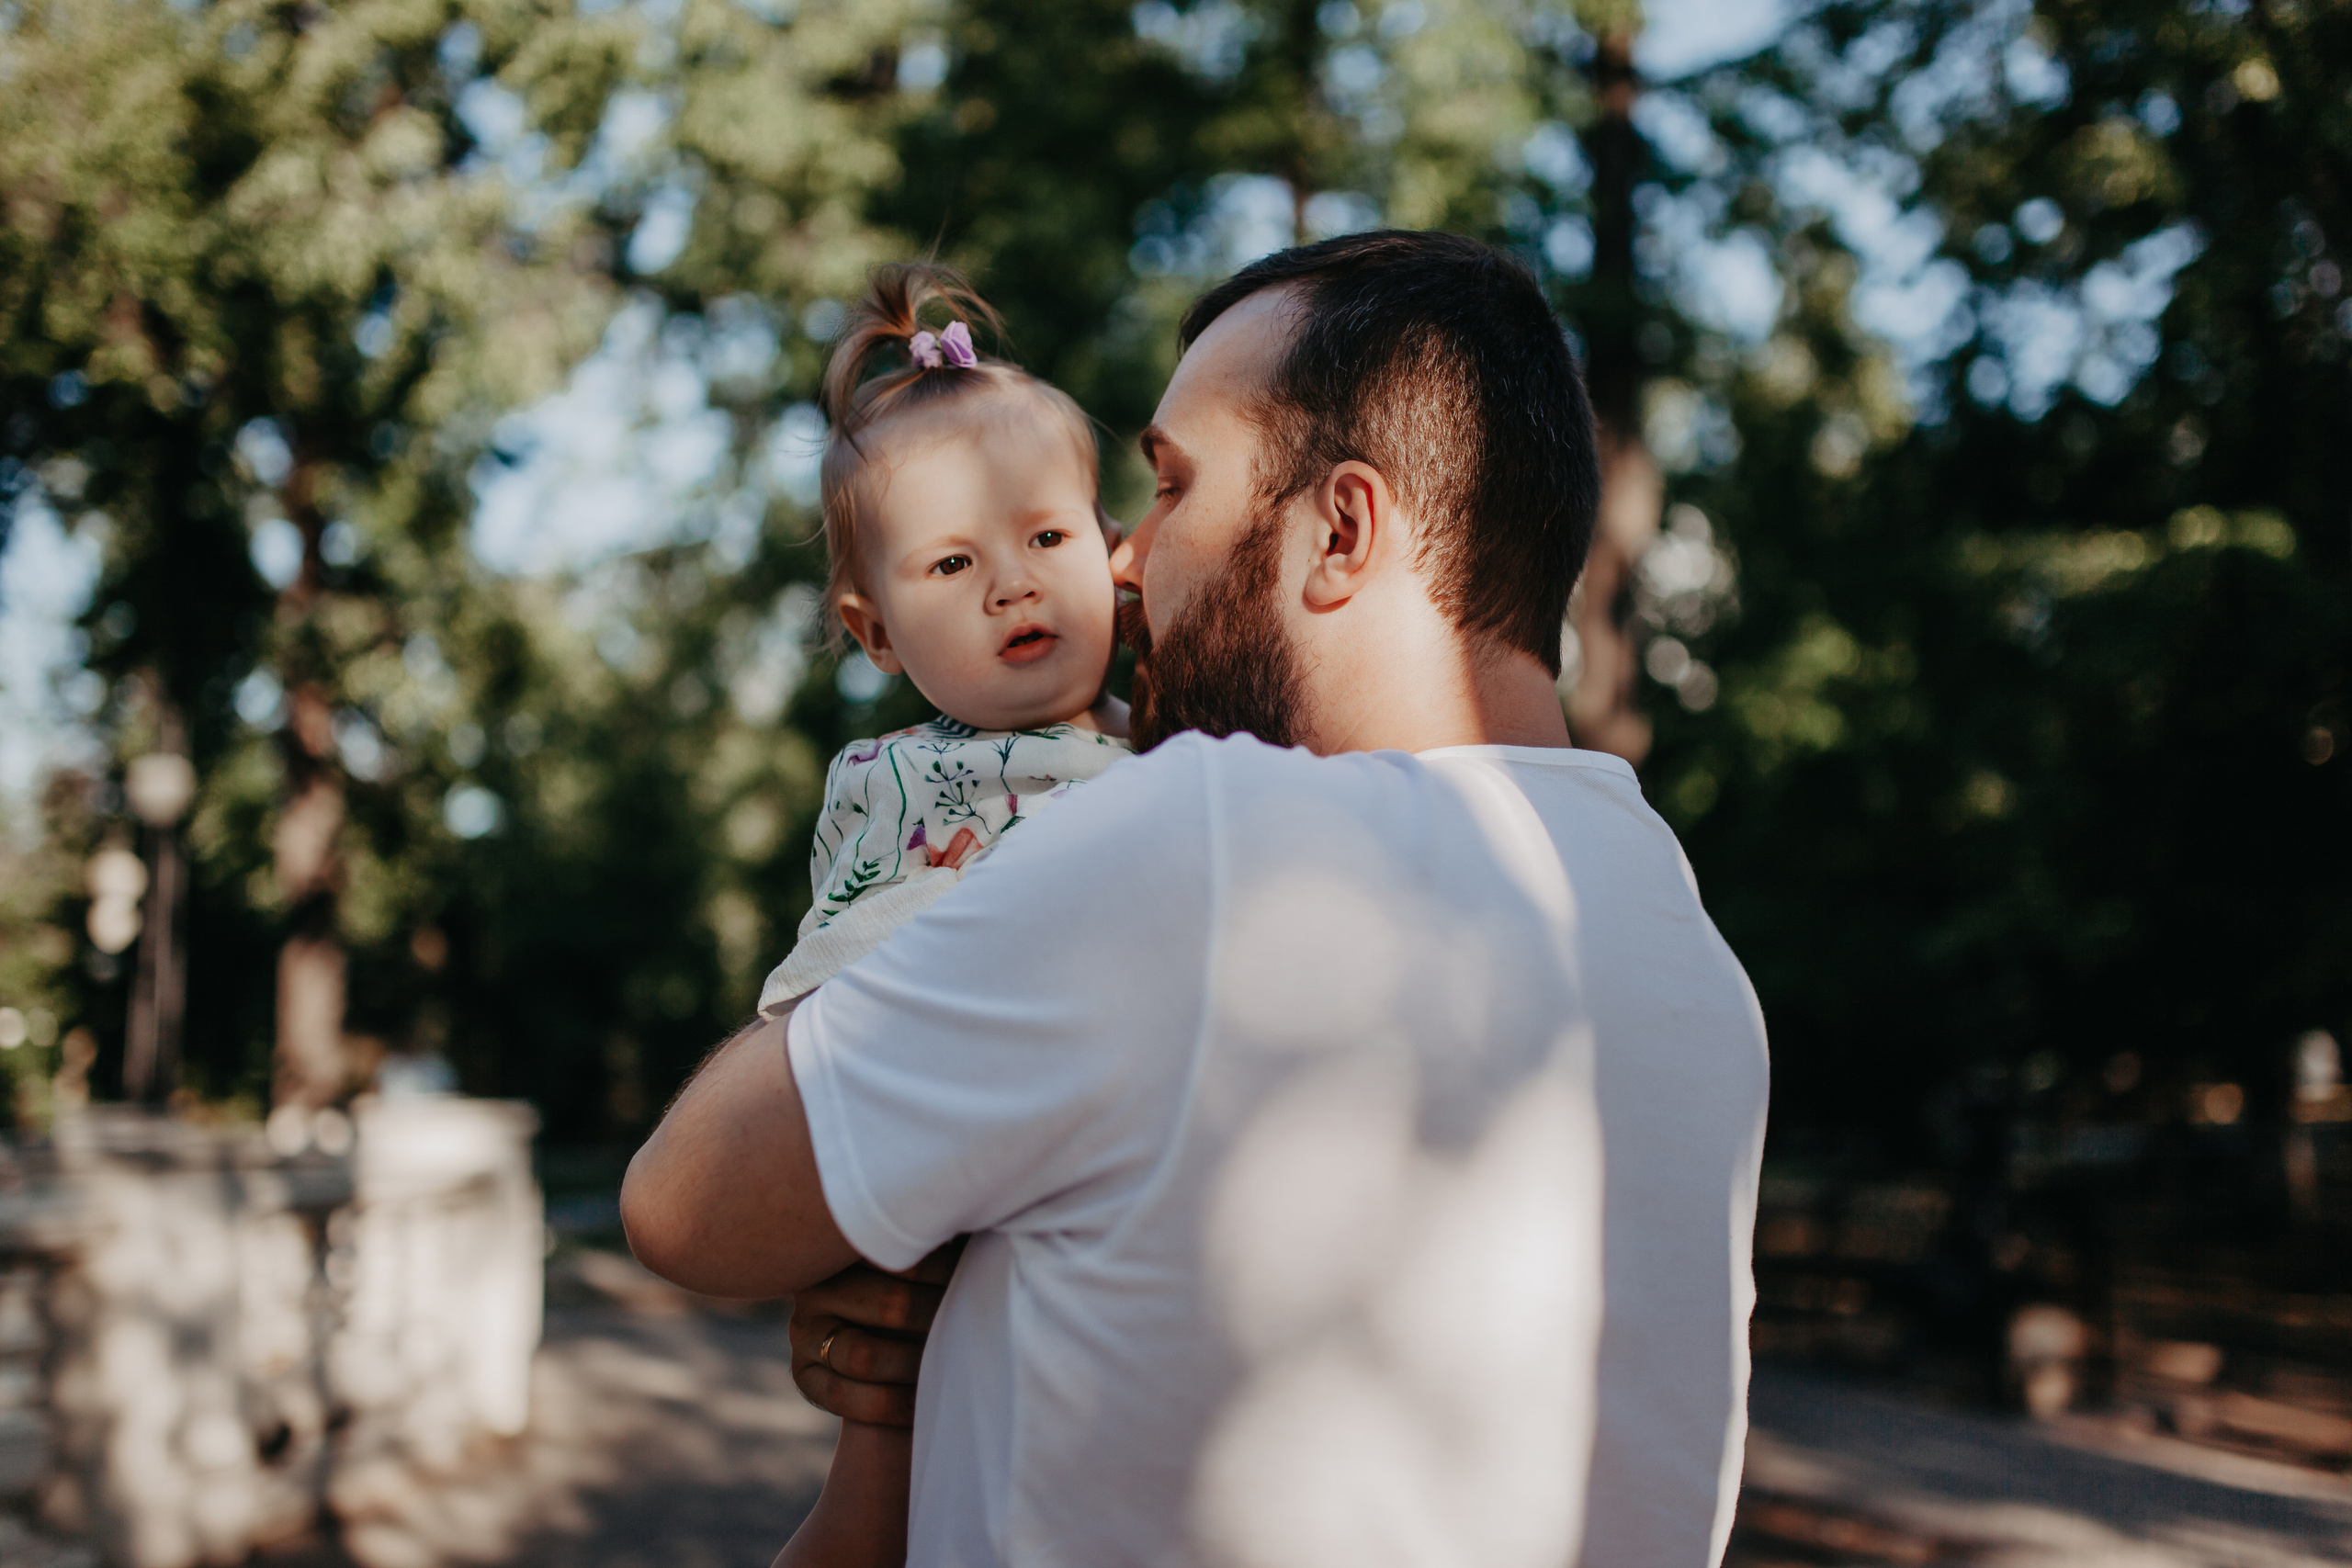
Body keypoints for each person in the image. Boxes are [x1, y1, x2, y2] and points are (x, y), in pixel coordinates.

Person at [622, 230, 1770, 1568]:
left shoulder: (1197, 839)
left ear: (1341, 530)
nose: (1120, 559)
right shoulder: (1691, 959)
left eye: (1168, 490)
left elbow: (684, 1205)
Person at [759, 261, 1133, 1564]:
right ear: (874, 633)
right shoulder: (914, 778)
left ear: (1111, 550)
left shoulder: (1174, 749)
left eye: (1047, 539)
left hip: (1089, 1177)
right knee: (886, 1439)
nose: (1014, 587)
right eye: (952, 563)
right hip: (922, 1152)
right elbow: (838, 985)